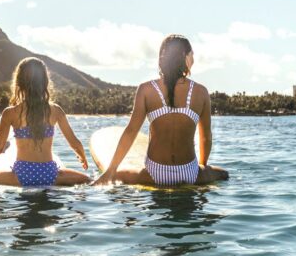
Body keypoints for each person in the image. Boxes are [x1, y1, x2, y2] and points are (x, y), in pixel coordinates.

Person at [94, 34, 229, 186]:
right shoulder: (201, 92)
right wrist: (201, 169)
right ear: (185, 56)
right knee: (224, 174)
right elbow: (206, 138)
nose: (193, 59)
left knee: (117, 175)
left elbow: (131, 131)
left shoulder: (146, 89)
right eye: (192, 55)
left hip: (154, 174)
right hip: (189, 174)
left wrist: (111, 170)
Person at [0, 57, 90, 187]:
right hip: (50, 174)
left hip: (21, 175)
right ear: (45, 82)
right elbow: (75, 144)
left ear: (19, 83)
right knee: (89, 180)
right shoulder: (55, 110)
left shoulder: (10, 113)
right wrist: (82, 157)